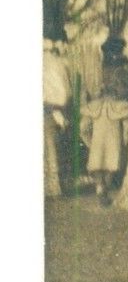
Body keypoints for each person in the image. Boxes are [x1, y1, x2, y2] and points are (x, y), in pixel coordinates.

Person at [84, 34, 128, 204]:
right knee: (115, 149)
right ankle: (104, 185)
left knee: (98, 151)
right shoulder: (125, 67)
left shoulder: (102, 65)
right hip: (117, 108)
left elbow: (93, 86)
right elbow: (126, 88)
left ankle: (101, 186)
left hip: (99, 106)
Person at [43, 34, 72, 198]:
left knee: (49, 148)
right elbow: (65, 93)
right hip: (54, 109)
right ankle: (54, 188)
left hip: (49, 108)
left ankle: (52, 188)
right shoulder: (58, 63)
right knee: (51, 147)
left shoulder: (53, 64)